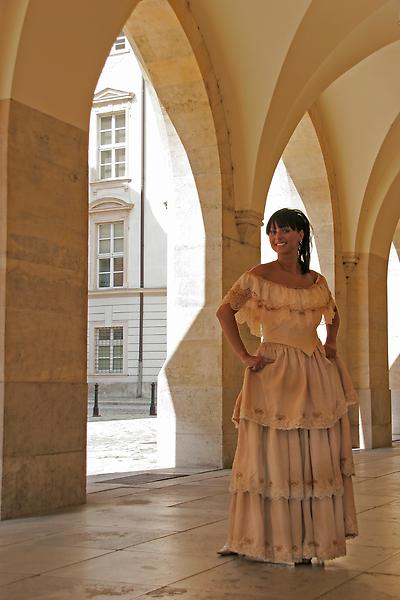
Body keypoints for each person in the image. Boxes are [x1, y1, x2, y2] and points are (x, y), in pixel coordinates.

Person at [216, 208, 358, 566]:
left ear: (300, 235)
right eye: (273, 232)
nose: (278, 237)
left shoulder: (317, 281)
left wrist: (331, 343)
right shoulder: (257, 276)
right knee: (267, 455)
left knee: (312, 454)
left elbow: (334, 314)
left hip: (313, 371)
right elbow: (224, 312)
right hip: (273, 371)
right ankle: (248, 538)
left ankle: (308, 541)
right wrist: (246, 357)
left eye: (286, 231)